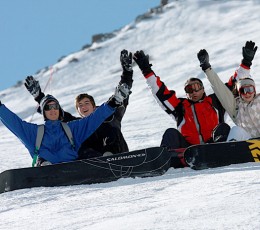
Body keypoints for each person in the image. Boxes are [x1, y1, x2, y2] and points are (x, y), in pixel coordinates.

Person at [24, 49, 133, 159]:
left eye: (86, 103)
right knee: (74, 137)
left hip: (117, 155)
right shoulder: (77, 124)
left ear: (94, 106)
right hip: (93, 159)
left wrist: (127, 72)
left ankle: (109, 157)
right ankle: (90, 163)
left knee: (110, 130)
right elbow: (57, 113)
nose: (83, 107)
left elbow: (122, 95)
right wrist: (38, 96)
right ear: (78, 111)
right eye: (80, 105)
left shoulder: (110, 115)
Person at [133, 50, 227, 166]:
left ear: (203, 89)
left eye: (197, 87)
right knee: (170, 133)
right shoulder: (180, 106)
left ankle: (227, 152)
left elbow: (232, 89)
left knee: (223, 128)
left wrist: (246, 62)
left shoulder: (215, 101)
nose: (194, 92)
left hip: (215, 147)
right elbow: (161, 93)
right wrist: (146, 70)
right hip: (189, 153)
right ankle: (164, 162)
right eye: (189, 89)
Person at [0, 84, 130, 167]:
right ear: (44, 112)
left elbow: (94, 119)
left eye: (55, 106)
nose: (53, 110)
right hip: (47, 172)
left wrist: (113, 102)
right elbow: (14, 123)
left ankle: (106, 163)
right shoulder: (35, 133)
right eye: (48, 108)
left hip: (75, 168)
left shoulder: (71, 128)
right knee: (42, 158)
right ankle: (45, 166)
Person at [197, 41, 260, 141]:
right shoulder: (235, 107)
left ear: (254, 91)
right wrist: (207, 68)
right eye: (244, 90)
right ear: (239, 93)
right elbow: (220, 89)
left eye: (250, 89)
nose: (247, 93)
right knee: (235, 130)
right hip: (251, 147)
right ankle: (229, 153)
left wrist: (247, 61)